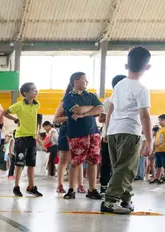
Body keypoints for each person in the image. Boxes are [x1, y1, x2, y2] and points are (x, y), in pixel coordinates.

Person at [101, 47, 153, 214]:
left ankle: (126, 199)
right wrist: (149, 140)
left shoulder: (119, 85)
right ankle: (110, 201)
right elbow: (145, 116)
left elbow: (111, 110)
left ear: (126, 65)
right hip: (130, 131)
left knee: (120, 167)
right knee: (126, 168)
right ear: (147, 67)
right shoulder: (141, 88)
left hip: (114, 130)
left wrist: (107, 130)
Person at [61, 72, 104, 200]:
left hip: (93, 132)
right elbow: (77, 110)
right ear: (75, 81)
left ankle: (92, 189)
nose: (87, 82)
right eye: (84, 80)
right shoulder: (69, 97)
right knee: (76, 162)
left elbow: (101, 108)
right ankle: (71, 189)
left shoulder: (91, 95)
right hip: (77, 134)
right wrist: (91, 108)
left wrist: (84, 114)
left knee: (93, 161)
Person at [3, 83, 43, 197]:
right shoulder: (19, 105)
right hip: (21, 138)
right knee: (19, 163)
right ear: (26, 93)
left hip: (32, 138)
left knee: (31, 164)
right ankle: (16, 187)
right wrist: (15, 119)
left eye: (36, 89)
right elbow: (4, 113)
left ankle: (31, 187)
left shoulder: (37, 104)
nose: (36, 91)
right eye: (33, 90)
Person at [98, 74, 126, 193]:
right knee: (117, 163)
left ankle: (105, 187)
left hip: (110, 134)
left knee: (108, 163)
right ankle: (109, 187)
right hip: (111, 135)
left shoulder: (108, 100)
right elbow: (101, 119)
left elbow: (101, 119)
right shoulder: (109, 101)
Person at [151, 115, 165, 184]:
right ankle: (157, 178)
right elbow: (156, 140)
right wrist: (154, 150)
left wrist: (161, 145)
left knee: (164, 165)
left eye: (161, 120)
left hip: (164, 151)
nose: (159, 122)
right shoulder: (159, 129)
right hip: (158, 151)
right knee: (158, 165)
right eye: (159, 120)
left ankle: (163, 177)